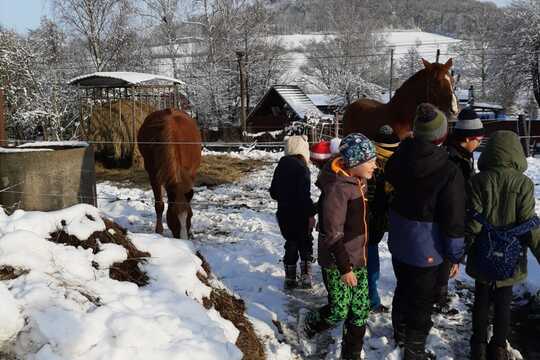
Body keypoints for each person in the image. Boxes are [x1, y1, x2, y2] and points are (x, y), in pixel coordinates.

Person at [385, 103, 465, 359]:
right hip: (427, 248)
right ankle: (414, 349)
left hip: (399, 240)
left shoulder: (399, 156)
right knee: (421, 300)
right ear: (441, 135)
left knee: (403, 287)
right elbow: (453, 218)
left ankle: (399, 332)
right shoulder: (448, 169)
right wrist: (455, 255)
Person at [298, 133, 377, 360]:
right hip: (337, 262)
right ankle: (311, 323)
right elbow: (333, 234)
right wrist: (344, 268)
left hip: (358, 258)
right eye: (370, 160)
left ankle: (350, 355)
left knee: (360, 309)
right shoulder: (338, 189)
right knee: (339, 309)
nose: (374, 164)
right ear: (355, 163)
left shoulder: (357, 182)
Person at [466, 131, 540, 360]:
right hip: (511, 256)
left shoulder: (477, 180)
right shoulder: (524, 184)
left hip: (482, 253)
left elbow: (473, 223)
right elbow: (529, 222)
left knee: (481, 299)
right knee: (504, 302)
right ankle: (498, 346)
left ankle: (477, 345)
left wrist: (461, 249)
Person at [435, 107, 485, 312]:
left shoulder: (462, 154)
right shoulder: (453, 158)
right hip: (447, 216)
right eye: (479, 139)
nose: (480, 143)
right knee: (445, 257)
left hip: (452, 215)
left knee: (446, 259)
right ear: (468, 138)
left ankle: (439, 294)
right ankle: (437, 296)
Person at [270, 135, 317, 289]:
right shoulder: (302, 168)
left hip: (284, 214)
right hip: (301, 214)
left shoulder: (280, 166)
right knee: (305, 242)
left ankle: (290, 277)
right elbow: (304, 195)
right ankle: (305, 275)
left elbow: (273, 192)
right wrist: (311, 213)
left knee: (290, 242)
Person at [366, 125, 400, 313]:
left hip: (368, 221)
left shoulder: (365, 159)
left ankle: (370, 298)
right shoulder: (397, 162)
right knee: (371, 264)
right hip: (373, 221)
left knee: (368, 260)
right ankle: (371, 300)